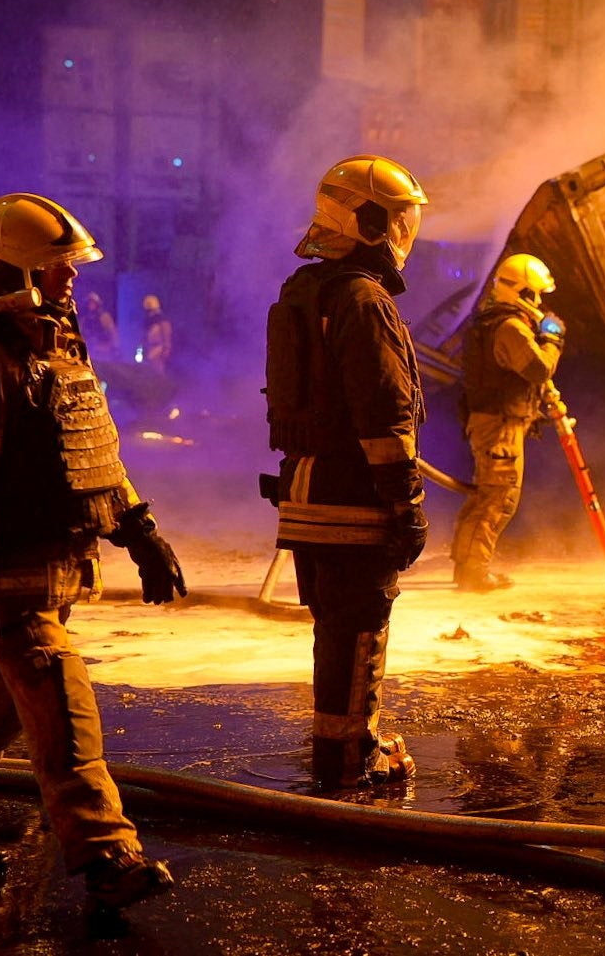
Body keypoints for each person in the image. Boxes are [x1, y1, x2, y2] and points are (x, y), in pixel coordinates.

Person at [0, 192, 187, 909]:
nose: (70, 278)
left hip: (57, 566)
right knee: (63, 706)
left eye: (69, 264)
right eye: (56, 265)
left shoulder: (52, 348)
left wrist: (139, 529)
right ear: (10, 270)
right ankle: (105, 852)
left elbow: (90, 453)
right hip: (12, 574)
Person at [265, 154, 428, 790]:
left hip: (306, 493)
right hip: (355, 495)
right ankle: (348, 763)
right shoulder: (365, 300)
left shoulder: (303, 292)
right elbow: (385, 413)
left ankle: (342, 745)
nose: (404, 232)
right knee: (361, 630)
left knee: (335, 632)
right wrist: (405, 501)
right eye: (397, 219)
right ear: (368, 221)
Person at [450, 253, 565, 592]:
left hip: (494, 422)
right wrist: (552, 338)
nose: (540, 302)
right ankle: (474, 573)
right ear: (522, 292)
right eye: (536, 294)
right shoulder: (511, 327)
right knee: (498, 499)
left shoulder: (494, 322)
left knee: (489, 496)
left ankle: (467, 567)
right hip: (499, 426)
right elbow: (538, 368)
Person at [81, 291, 120, 365]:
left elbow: (112, 332)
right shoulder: (85, 319)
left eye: (93, 303)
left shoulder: (104, 317)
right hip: (90, 350)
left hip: (104, 349)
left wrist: (115, 347)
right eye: (89, 303)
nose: (91, 305)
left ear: (97, 304)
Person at [141, 294, 172, 375]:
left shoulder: (162, 321)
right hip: (150, 347)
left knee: (157, 370)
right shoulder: (149, 322)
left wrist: (166, 348)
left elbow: (167, 334)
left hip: (159, 347)